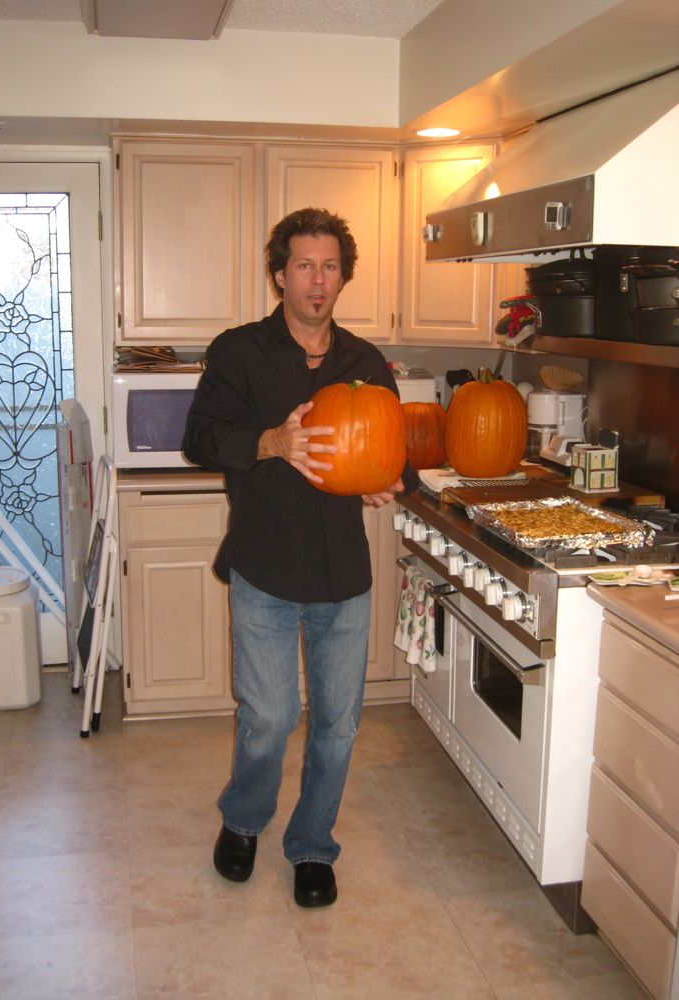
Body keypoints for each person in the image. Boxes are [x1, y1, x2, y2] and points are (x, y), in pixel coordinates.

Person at [182, 207, 418, 908]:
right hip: (265, 566)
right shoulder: (239, 352)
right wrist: (272, 443)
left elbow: (386, 453)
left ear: (343, 276)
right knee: (269, 716)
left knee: (339, 724)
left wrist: (387, 480)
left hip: (343, 574)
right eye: (304, 266)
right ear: (280, 274)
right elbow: (200, 439)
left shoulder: (366, 364)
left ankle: (313, 844)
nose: (318, 281)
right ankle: (245, 820)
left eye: (331, 267)